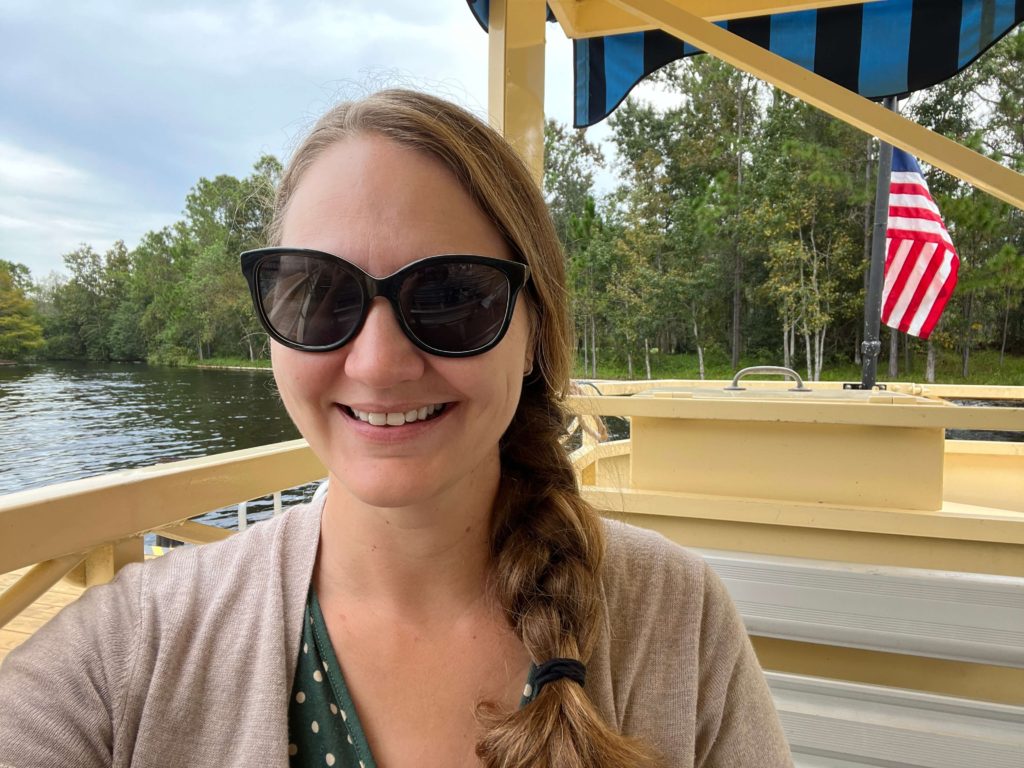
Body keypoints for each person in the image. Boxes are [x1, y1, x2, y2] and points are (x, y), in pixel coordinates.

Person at [0, 90, 792, 767]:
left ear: (534, 336)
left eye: (451, 296)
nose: (378, 364)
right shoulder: (135, 649)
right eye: (319, 296)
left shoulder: (674, 620)